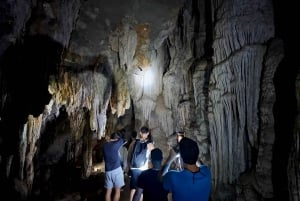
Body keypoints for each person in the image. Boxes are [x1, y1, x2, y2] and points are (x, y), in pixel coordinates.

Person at [127, 126, 155, 201]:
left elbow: (130, 154)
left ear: (140, 133)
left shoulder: (135, 141)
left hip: (133, 167)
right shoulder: (149, 143)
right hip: (142, 168)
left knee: (133, 187)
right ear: (148, 133)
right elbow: (154, 154)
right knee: (141, 188)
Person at [102, 131, 127, 201]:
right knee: (117, 191)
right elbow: (123, 139)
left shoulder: (104, 145)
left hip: (107, 171)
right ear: (116, 139)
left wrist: (110, 139)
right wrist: (115, 140)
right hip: (116, 170)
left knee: (108, 191)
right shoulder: (116, 144)